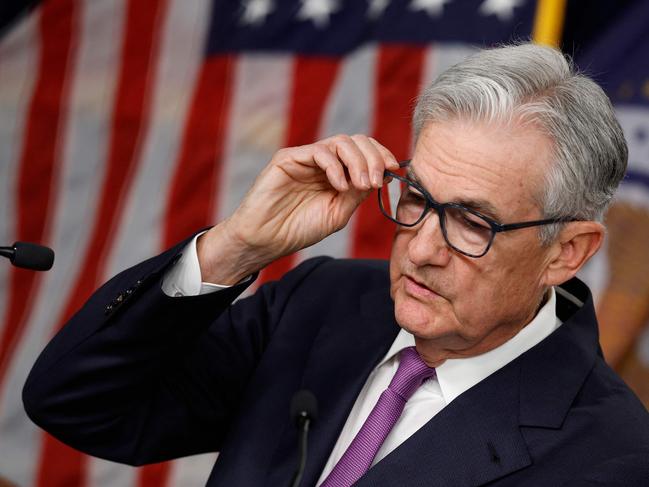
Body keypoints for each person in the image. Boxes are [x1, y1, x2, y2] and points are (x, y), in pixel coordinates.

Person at [23, 43, 649, 486]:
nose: (423, 248)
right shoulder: (323, 304)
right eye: (418, 198)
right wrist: (237, 246)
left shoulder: (613, 457)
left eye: (473, 222)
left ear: (566, 253)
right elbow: (76, 402)